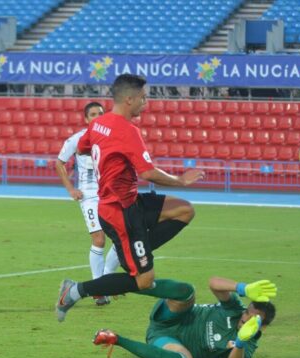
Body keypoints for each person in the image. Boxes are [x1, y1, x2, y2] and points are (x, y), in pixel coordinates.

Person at [56, 74, 205, 322]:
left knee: (184, 210)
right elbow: (147, 172)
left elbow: (83, 147)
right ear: (129, 99)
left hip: (130, 200)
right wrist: (181, 180)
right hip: (119, 212)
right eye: (143, 98)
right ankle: (74, 291)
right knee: (144, 281)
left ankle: (138, 250)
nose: (146, 103)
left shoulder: (97, 124)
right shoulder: (128, 131)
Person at [93, 278, 276, 358]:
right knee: (187, 292)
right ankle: (127, 284)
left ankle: (116, 339)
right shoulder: (234, 309)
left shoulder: (248, 346)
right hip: (171, 317)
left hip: (164, 340)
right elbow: (213, 283)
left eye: (252, 318)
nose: (244, 318)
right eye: (247, 312)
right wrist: (242, 288)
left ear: (263, 326)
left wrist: (240, 342)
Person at [56, 101, 119, 306]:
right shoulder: (77, 139)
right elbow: (59, 162)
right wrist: (71, 190)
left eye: (100, 113)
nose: (97, 117)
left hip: (110, 194)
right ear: (86, 119)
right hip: (90, 196)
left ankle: (106, 281)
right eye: (93, 114)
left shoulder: (112, 137)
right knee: (99, 240)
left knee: (121, 238)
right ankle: (98, 289)